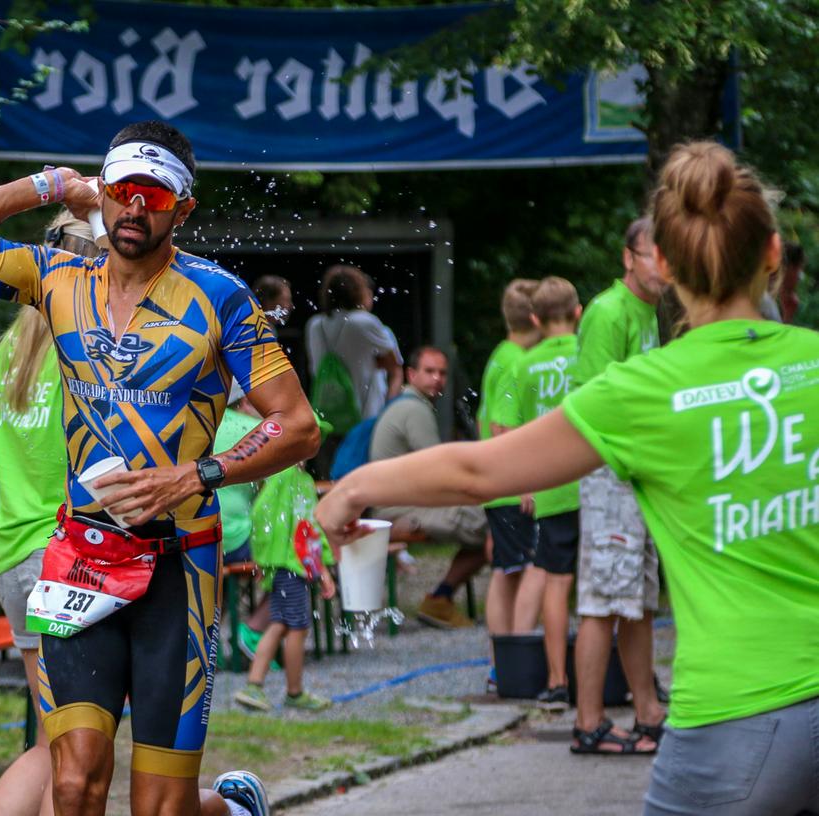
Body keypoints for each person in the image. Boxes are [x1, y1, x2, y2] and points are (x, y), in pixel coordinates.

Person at [318, 142, 818, 812]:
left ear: (663, 264)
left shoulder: (645, 391)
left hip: (735, 719)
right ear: (773, 254)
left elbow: (477, 471)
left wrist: (351, 487)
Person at [0, 120, 321, 816]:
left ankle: (235, 809)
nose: (135, 208)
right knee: (72, 784)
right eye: (122, 190)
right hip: (81, 557)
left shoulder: (219, 299)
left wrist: (197, 475)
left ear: (182, 209)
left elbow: (299, 426)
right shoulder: (55, 279)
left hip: (179, 569)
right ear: (102, 194)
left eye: (154, 197)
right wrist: (47, 184)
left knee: (162, 808)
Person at [0, 209, 97, 816]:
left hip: (12, 554)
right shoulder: (86, 349)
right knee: (77, 751)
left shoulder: (9, 348)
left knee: (54, 739)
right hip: (66, 558)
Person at [568, 217, 667, 754]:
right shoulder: (608, 311)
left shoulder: (649, 311)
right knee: (603, 600)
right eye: (653, 256)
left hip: (639, 473)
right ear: (629, 258)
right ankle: (588, 722)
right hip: (608, 474)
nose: (661, 268)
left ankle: (647, 708)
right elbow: (589, 400)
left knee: (639, 600)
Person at [489, 277, 588, 711]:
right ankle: (601, 675)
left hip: (551, 489)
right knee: (596, 584)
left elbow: (502, 425)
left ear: (535, 318)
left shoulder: (523, 366)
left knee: (553, 579)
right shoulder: (590, 357)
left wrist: (523, 479)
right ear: (579, 313)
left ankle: (555, 678)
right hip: (596, 481)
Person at [367, 346, 488, 628]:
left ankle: (441, 599)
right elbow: (439, 473)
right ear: (411, 374)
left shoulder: (405, 404)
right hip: (397, 513)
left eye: (442, 373)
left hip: (394, 506)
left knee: (488, 521)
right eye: (430, 371)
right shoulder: (414, 409)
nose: (437, 379)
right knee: (493, 523)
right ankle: (440, 600)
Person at [232, 463, 335, 713]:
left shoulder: (293, 478)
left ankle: (254, 685)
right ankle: (294, 692)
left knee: (279, 624)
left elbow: (303, 526)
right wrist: (320, 569)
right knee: (297, 628)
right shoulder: (290, 478)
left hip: (286, 564)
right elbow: (270, 516)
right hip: (290, 566)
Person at [480, 279, 546, 641]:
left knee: (507, 571)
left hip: (498, 485)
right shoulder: (516, 362)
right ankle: (516, 654)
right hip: (511, 489)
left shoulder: (500, 355)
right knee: (530, 567)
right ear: (537, 319)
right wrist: (524, 483)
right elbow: (501, 426)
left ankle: (502, 662)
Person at [303, 264, 403, 419]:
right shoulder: (364, 322)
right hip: (365, 413)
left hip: (327, 413)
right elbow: (395, 368)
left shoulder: (315, 325)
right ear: (359, 291)